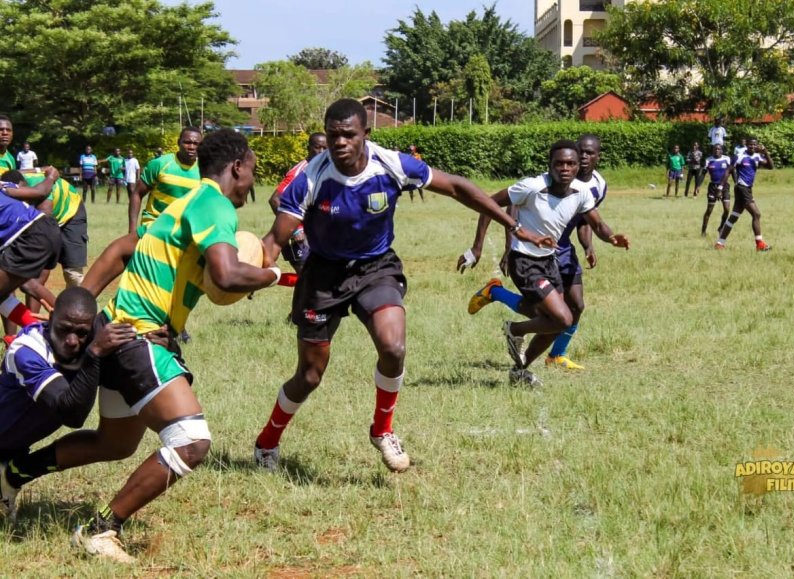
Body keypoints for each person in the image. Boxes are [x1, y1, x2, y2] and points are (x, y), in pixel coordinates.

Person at [252, 98, 550, 473]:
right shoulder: (311, 178)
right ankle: (267, 443)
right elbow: (273, 242)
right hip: (323, 275)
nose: (339, 143)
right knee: (310, 376)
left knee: (393, 346)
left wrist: (512, 225)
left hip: (376, 268)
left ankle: (382, 430)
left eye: (348, 135)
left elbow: (457, 187)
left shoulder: (391, 165)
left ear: (366, 135)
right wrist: (248, 267)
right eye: (332, 136)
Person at [31, 129, 281, 563]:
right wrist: (273, 276)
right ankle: (100, 530)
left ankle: (13, 472)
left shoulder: (180, 204)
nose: (251, 183)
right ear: (237, 166)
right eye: (252, 171)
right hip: (136, 336)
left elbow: (132, 248)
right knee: (191, 441)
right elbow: (226, 277)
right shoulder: (214, 204)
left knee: (116, 444)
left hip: (120, 329)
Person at [458, 139, 628, 386]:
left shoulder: (581, 193)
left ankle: (520, 369)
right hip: (524, 262)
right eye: (559, 163)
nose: (566, 168)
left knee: (555, 322)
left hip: (549, 261)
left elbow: (597, 224)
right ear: (550, 165)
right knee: (563, 319)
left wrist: (611, 238)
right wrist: (477, 248)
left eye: (570, 163)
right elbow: (488, 205)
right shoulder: (532, 186)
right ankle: (514, 330)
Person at [0, 288, 137, 520]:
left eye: (81, 333)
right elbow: (72, 414)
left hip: (12, 448)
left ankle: (13, 473)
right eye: (64, 329)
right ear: (50, 318)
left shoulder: (92, 342)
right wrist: (94, 354)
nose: (72, 341)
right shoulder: (27, 351)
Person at [2, 169, 88, 295]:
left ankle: (77, 307)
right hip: (45, 223)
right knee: (25, 277)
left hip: (70, 213)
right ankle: (33, 313)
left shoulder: (39, 185)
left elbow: (44, 229)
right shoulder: (7, 190)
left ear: (22, 184)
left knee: (72, 273)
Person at [268, 132, 327, 274]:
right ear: (308, 148)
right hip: (299, 239)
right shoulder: (300, 170)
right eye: (317, 147)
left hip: (317, 237)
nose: (321, 152)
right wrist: (296, 230)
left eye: (325, 148)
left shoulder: (325, 169)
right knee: (308, 280)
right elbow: (275, 199)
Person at [127, 127, 201, 234]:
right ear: (178, 142)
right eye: (187, 142)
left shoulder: (205, 170)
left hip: (184, 232)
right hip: (154, 227)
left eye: (196, 144)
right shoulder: (159, 164)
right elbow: (137, 194)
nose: (191, 147)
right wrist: (132, 230)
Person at [715, 138, 773, 251]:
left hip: (747, 189)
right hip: (742, 188)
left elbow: (771, 166)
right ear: (746, 145)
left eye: (754, 145)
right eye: (750, 144)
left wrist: (765, 152)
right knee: (756, 214)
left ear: (757, 146)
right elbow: (728, 170)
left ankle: (719, 243)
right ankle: (759, 244)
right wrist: (720, 187)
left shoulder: (757, 157)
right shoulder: (739, 156)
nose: (752, 146)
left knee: (734, 217)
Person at [700, 144, 732, 237]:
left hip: (725, 186)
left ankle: (721, 227)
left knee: (727, 209)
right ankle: (703, 231)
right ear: (712, 150)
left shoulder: (727, 159)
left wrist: (736, 182)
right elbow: (703, 174)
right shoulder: (708, 160)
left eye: (719, 149)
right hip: (713, 186)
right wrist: (698, 186)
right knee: (709, 210)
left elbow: (732, 171)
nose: (717, 150)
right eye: (715, 149)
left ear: (722, 151)